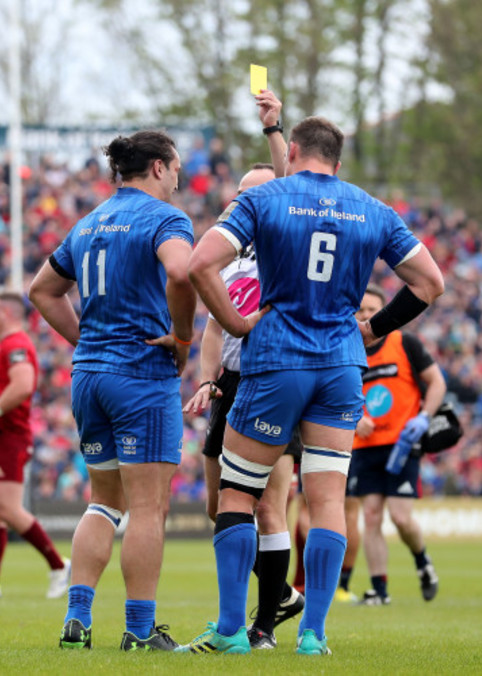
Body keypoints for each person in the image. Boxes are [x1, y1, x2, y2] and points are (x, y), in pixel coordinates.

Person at [176, 109, 444, 656]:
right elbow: (430, 282)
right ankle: (313, 635)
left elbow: (199, 265)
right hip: (342, 366)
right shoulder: (372, 209)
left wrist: (234, 324)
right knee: (326, 501)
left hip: (276, 359)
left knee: (237, 492)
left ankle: (231, 631)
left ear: (291, 153)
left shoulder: (264, 198)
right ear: (339, 163)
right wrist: (373, 328)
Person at [29, 130, 196, 651]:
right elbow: (182, 274)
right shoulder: (165, 218)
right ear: (158, 167)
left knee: (104, 502)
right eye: (176, 168)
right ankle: (140, 631)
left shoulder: (89, 221)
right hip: (141, 374)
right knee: (148, 508)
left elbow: (42, 291)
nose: (179, 178)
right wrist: (185, 338)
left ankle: (76, 622)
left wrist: (89, 338)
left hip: (90, 377)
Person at [183, 163, 304, 650]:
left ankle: (262, 628)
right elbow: (214, 327)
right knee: (221, 509)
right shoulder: (228, 259)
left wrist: (273, 126)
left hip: (273, 382)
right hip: (229, 385)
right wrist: (208, 379)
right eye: (237, 194)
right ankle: (282, 595)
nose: (239, 202)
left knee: (269, 510)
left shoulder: (287, 251)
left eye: (251, 195)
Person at [0, 292, 70, 600]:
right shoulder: (0, 349)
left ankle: (59, 565)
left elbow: (22, 385)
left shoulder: (17, 345)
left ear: (6, 313)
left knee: (7, 508)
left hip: (9, 437)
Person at [347, 283, 445, 605]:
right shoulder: (350, 349)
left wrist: (424, 418)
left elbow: (437, 383)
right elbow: (339, 394)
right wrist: (354, 418)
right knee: (372, 516)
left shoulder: (405, 343)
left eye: (372, 310)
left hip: (402, 444)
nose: (365, 315)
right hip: (365, 445)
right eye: (360, 311)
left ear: (383, 312)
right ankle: (380, 590)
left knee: (401, 517)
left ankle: (422, 561)